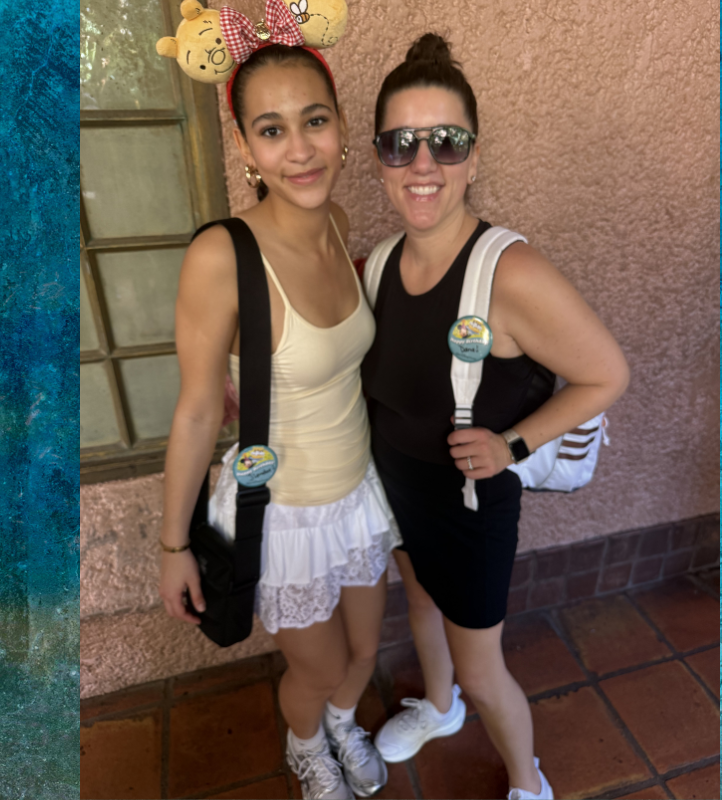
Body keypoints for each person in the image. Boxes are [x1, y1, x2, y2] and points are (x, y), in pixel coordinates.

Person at [361, 34, 630, 800]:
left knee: (483, 669)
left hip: (471, 508)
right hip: (400, 489)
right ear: (379, 159)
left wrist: (512, 444)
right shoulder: (380, 264)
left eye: (446, 142)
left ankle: (526, 781)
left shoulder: (509, 271)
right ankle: (438, 706)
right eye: (400, 143)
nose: (423, 163)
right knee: (420, 603)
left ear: (474, 157)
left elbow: (607, 373)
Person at [158, 42, 399, 800]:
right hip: (284, 514)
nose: (300, 150)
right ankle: (307, 745)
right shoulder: (221, 256)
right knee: (318, 668)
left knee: (364, 652)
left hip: (356, 494)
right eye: (272, 129)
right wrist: (173, 545)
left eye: (315, 121)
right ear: (243, 145)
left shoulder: (338, 221)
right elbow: (198, 408)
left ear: (341, 126)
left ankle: (341, 723)